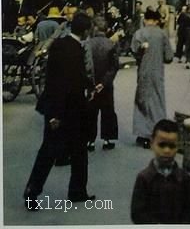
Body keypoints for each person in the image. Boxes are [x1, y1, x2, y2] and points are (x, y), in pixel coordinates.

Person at [24, 12, 94, 209]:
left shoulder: (61, 45)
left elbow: (55, 77)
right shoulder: (75, 50)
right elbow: (65, 81)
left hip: (58, 107)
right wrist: (57, 114)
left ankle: (33, 190)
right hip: (67, 109)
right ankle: (76, 191)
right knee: (75, 151)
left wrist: (89, 85)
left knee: (50, 151)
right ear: (87, 30)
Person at [130, 119, 190, 224]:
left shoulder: (184, 178)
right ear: (152, 144)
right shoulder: (144, 178)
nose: (167, 150)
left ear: (178, 147)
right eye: (162, 145)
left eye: (172, 146)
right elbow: (137, 213)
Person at [132, 9, 174, 148]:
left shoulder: (139, 33)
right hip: (157, 73)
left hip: (143, 72)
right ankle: (158, 132)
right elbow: (169, 57)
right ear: (156, 21)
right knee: (157, 101)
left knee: (142, 101)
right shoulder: (162, 34)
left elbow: (134, 52)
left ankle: (143, 133)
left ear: (145, 19)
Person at [87, 16, 119, 152]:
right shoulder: (111, 44)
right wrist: (104, 82)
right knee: (108, 111)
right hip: (106, 84)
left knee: (90, 112)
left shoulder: (88, 44)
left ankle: (90, 141)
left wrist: (91, 83)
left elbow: (86, 65)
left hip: (91, 83)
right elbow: (114, 66)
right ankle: (107, 139)